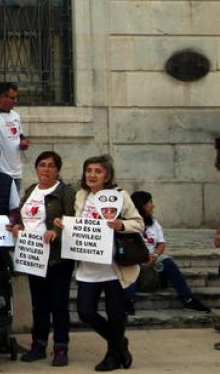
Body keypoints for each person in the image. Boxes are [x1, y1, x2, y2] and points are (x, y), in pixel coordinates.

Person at [68, 156, 143, 371]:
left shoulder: (120, 196)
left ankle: (112, 355)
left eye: (98, 171)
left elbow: (138, 224)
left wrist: (120, 225)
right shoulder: (81, 195)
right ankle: (120, 343)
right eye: (89, 170)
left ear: (107, 176)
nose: (92, 175)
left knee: (116, 313)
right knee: (85, 312)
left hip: (114, 268)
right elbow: (78, 223)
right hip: (88, 266)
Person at [14, 150, 75, 366]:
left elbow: (72, 220)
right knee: (39, 305)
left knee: (58, 304)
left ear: (57, 170)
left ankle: (60, 347)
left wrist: (56, 232)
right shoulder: (31, 190)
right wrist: (18, 227)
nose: (46, 169)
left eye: (51, 165)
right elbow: (24, 216)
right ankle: (38, 345)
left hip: (57, 258)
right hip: (34, 257)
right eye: (42, 165)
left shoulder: (65, 192)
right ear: (36, 168)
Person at [125, 191, 209, 313]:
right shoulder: (128, 223)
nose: (153, 206)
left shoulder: (154, 223)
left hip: (152, 258)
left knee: (167, 261)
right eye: (150, 203)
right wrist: (140, 258)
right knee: (131, 266)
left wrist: (154, 255)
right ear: (142, 205)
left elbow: (161, 244)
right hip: (135, 259)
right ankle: (128, 302)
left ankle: (189, 300)